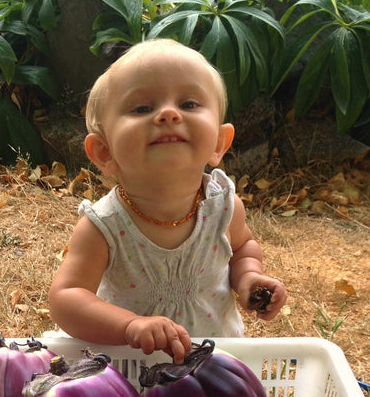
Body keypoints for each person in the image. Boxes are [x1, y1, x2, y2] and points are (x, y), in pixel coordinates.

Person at [49, 39, 287, 364]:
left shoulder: (223, 207)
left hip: (212, 367)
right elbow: (66, 299)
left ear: (219, 143)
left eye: (189, 104)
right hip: (128, 373)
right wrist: (130, 326)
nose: (168, 114)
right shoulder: (104, 226)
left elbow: (242, 249)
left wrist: (248, 277)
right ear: (104, 153)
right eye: (142, 108)